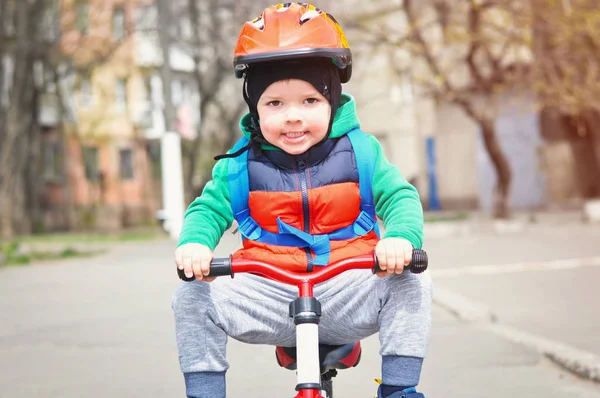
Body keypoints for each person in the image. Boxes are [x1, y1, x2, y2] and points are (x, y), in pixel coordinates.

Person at [172, 3, 432, 397]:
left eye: (309, 101)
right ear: (255, 109)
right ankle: (205, 391)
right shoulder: (239, 164)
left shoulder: (362, 152)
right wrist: (195, 245)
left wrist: (400, 237)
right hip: (271, 293)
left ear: (332, 101)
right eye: (275, 103)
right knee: (191, 295)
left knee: (412, 280)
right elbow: (206, 211)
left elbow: (400, 196)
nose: (292, 116)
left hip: (347, 287)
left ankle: (399, 388)